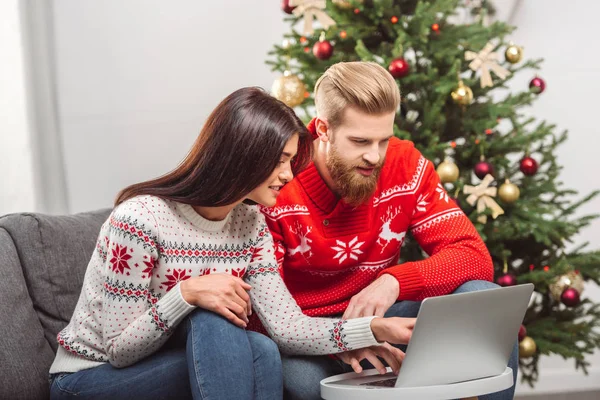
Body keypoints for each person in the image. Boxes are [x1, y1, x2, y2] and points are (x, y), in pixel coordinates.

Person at [48, 87, 417, 400]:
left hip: (179, 359)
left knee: (263, 348)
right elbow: (119, 350)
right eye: (280, 161)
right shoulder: (140, 221)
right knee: (212, 314)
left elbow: (288, 327)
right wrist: (187, 294)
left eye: (291, 161)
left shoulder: (250, 224)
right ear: (244, 156)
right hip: (88, 377)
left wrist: (374, 329)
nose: (288, 176)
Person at [257, 62, 519, 399]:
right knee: (304, 385)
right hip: (309, 337)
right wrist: (342, 339)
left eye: (384, 140)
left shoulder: (405, 164)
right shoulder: (278, 181)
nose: (375, 156)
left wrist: (393, 281)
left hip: (385, 321)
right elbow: (264, 312)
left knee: (482, 297)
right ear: (323, 129)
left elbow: (473, 256)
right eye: (360, 140)